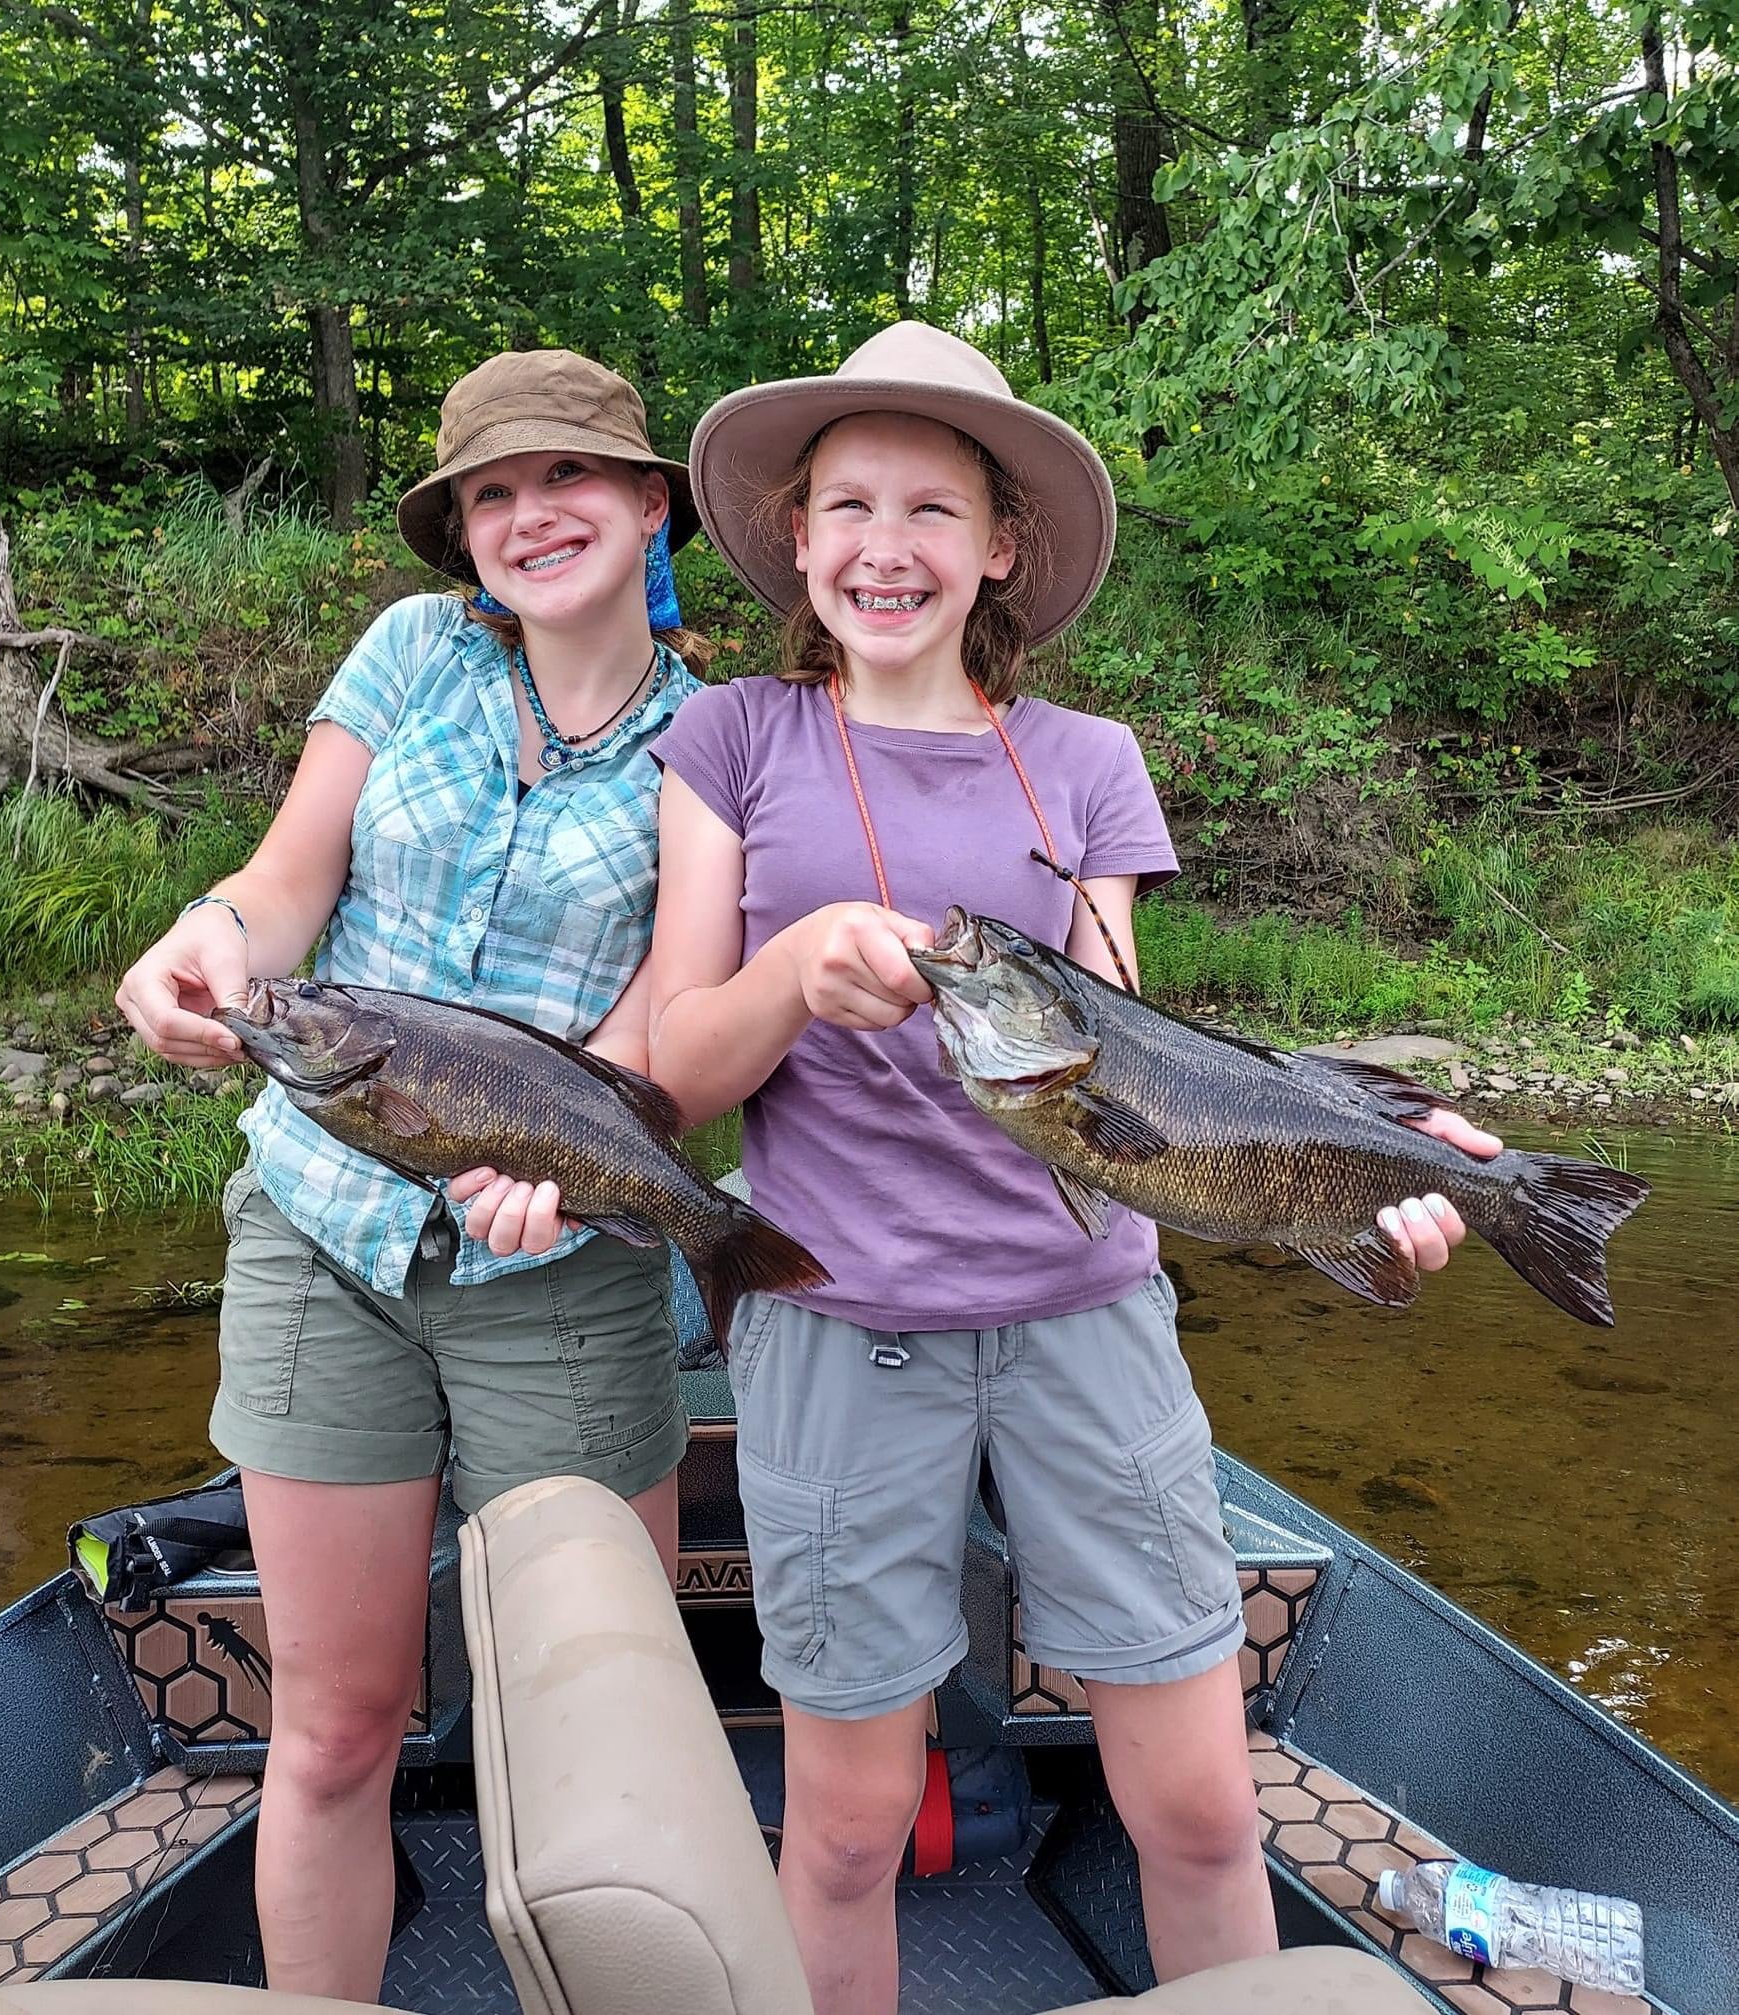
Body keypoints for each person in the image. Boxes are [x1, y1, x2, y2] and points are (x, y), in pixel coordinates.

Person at [640, 323, 1502, 2013]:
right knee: (843, 1827)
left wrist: (1365, 1156)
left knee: (1192, 1805)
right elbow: (673, 1068)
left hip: (1093, 1327)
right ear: (798, 540)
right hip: (836, 1332)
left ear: (1000, 548)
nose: (889, 549)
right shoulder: (733, 739)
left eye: (934, 511)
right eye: (851, 508)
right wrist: (796, 965)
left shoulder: (1091, 764)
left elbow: (1149, 1077)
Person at [115, 348, 707, 2004]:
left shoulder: (723, 734)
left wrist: (572, 1163)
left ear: (647, 503)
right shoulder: (408, 655)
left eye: (569, 479)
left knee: (605, 1744)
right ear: (460, 530)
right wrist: (208, 941)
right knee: (334, 1726)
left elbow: (663, 1016)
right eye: (492, 493)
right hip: (324, 1226)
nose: (532, 516)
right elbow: (287, 881)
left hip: (568, 1256)